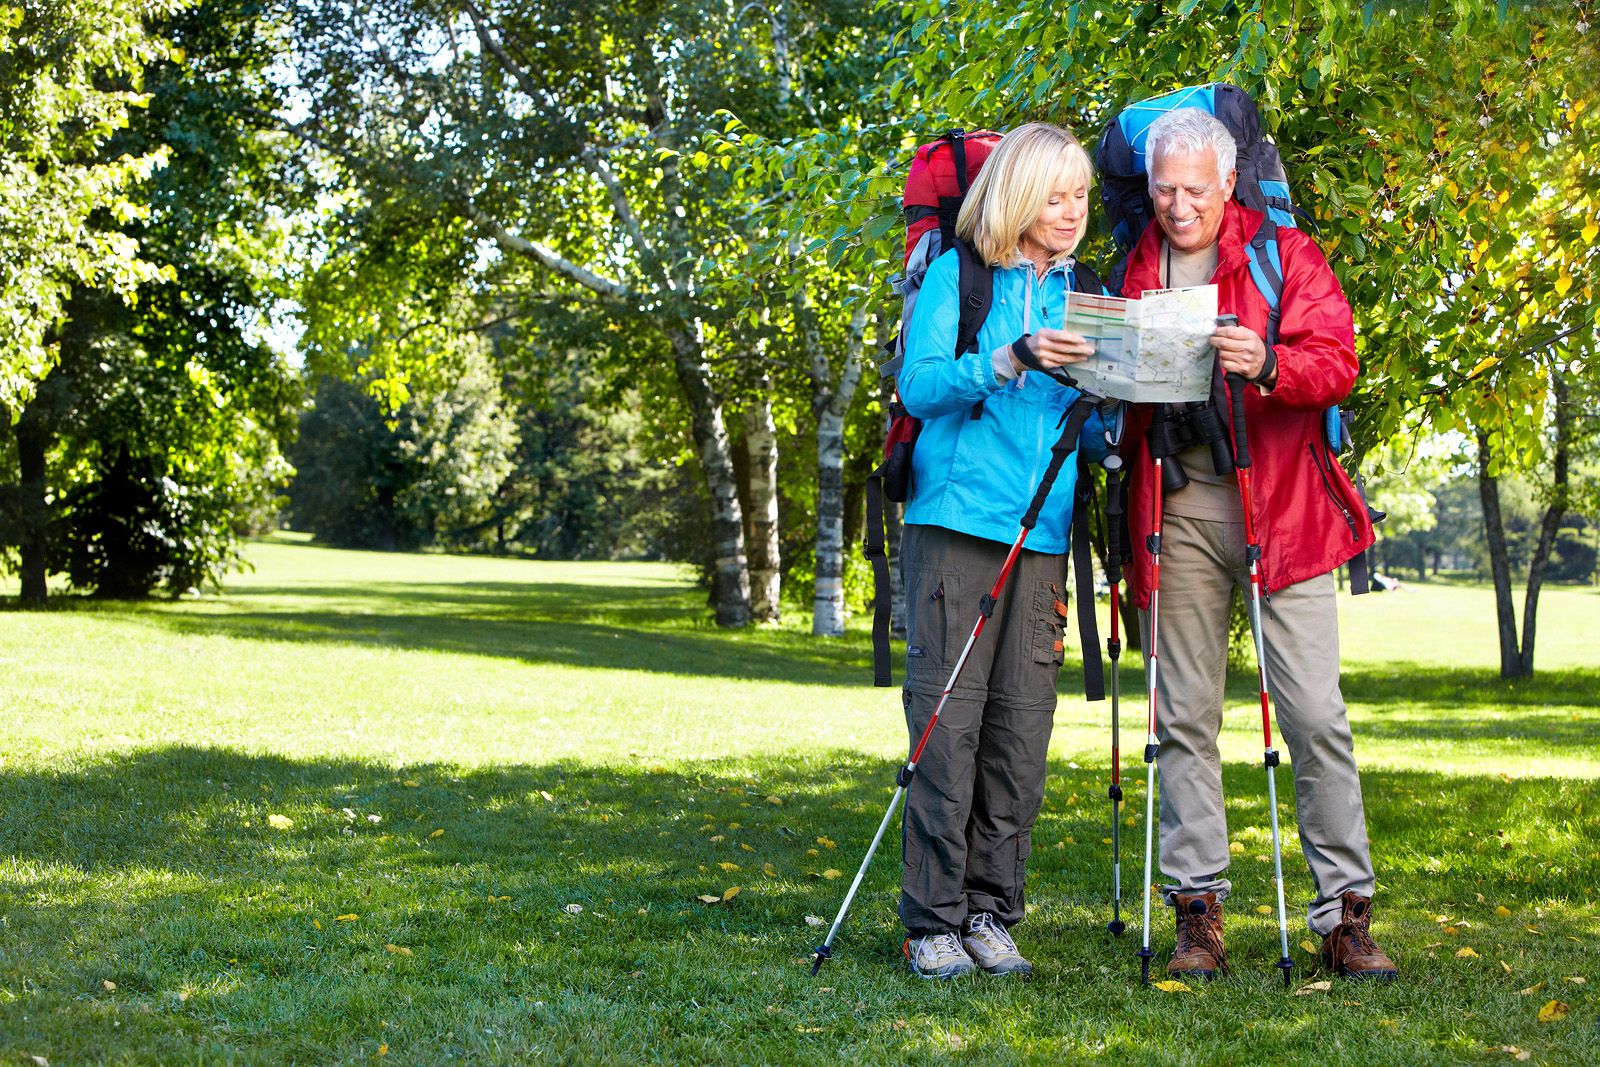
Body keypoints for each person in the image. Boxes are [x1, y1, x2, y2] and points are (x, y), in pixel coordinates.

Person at [1118, 108, 1397, 981]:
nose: (1177, 204)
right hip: (1183, 500)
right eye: (1163, 187)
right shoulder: (1139, 262)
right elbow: (1124, 384)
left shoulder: (1286, 255)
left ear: (1229, 183)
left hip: (1283, 506)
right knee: (1184, 715)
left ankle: (1344, 917)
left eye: (1195, 188)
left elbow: (1339, 359)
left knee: (1314, 712)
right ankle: (1197, 912)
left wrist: (1270, 362)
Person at [896, 122, 1112, 979]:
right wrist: (1009, 357)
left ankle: (991, 911)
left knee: (1021, 731)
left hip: (1045, 530)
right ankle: (931, 920)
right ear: (1017, 197)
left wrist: (1118, 416)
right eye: (1054, 196)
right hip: (957, 522)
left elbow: (1094, 417)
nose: (1070, 213)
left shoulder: (1085, 293)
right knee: (948, 726)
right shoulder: (961, 278)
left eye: (1082, 198)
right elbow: (920, 384)